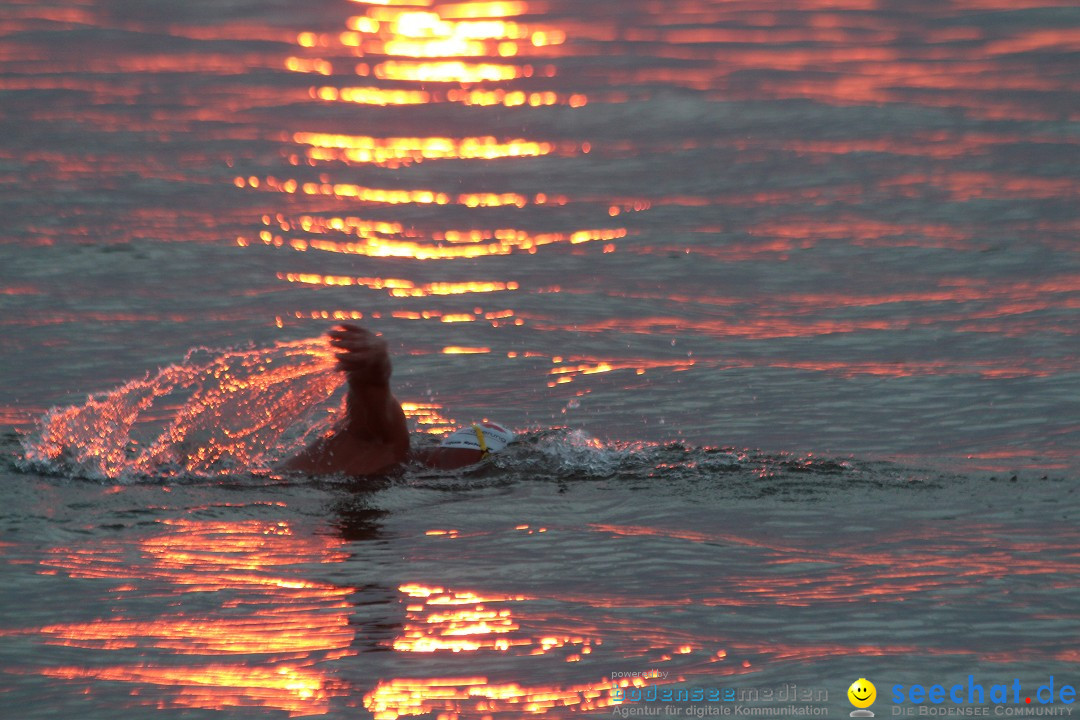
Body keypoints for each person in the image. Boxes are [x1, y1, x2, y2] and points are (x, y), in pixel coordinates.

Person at [280, 324, 514, 475]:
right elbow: (373, 395)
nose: (486, 472)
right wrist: (375, 365)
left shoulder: (398, 463)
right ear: (474, 455)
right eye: (487, 464)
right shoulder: (390, 446)